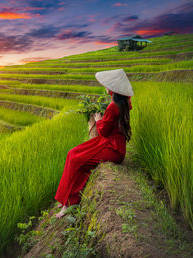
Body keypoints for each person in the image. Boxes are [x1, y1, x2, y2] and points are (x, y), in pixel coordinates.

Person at [54, 69, 134, 218]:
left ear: (113, 88)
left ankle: (69, 203)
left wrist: (98, 120)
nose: (105, 86)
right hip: (113, 144)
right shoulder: (124, 102)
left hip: (111, 147)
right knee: (73, 153)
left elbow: (103, 131)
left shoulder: (112, 106)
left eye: (107, 85)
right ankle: (65, 198)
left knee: (76, 159)